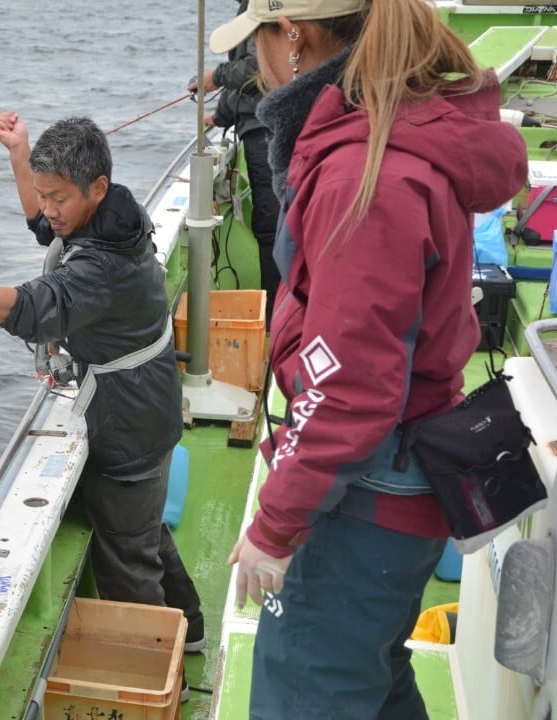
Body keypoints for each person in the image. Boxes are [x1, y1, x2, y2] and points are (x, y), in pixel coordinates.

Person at [209, 1, 528, 718]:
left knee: (309, 689)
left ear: (293, 35)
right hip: (398, 477)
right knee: (371, 676)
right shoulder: (387, 139)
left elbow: (349, 382)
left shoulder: (363, 173)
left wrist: (276, 526)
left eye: (256, 38)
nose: (252, 62)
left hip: (366, 492)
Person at [0, 112, 206, 671]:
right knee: (144, 530)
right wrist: (20, 151)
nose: (49, 210)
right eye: (44, 194)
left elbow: (32, 311)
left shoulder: (103, 266)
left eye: (58, 197)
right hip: (148, 404)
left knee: (128, 558)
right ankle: (193, 631)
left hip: (129, 422)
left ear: (95, 187)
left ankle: (154, 671)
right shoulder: (110, 213)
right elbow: (43, 224)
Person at [189, 0, 281, 326]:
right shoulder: (249, 8)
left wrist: (216, 76)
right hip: (257, 128)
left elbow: (259, 67)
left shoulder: (262, 8)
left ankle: (277, 322)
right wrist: (220, 115)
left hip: (267, 132)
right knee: (271, 227)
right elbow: (246, 80)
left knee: (273, 229)